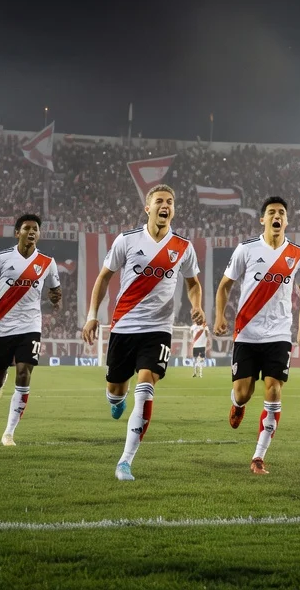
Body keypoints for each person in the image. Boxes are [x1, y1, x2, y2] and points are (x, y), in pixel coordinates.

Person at [82, 184, 203, 481]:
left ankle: (125, 461)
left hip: (158, 330)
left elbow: (193, 283)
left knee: (147, 385)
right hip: (124, 326)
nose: (166, 205)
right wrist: (91, 316)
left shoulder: (183, 247)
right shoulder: (127, 240)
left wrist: (197, 306)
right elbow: (103, 277)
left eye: (170, 202)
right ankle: (115, 399)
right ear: (147, 208)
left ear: (173, 210)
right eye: (160, 201)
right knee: (116, 390)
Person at [214, 196, 300, 474]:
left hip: (279, 334)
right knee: (244, 393)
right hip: (247, 332)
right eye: (272, 212)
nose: (277, 216)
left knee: (274, 390)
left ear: (286, 220)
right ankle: (237, 404)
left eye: (282, 212)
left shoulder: (298, 255)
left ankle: (258, 456)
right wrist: (219, 316)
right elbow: (225, 286)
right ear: (263, 219)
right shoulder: (246, 249)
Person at [0, 214, 63, 446]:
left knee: (24, 372)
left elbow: (56, 292)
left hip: (30, 327)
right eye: (27, 228)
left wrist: (56, 299)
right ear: (17, 233)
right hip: (1, 327)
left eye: (35, 228)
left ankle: (9, 433)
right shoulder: (2, 258)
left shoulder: (47, 262)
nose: (32, 232)